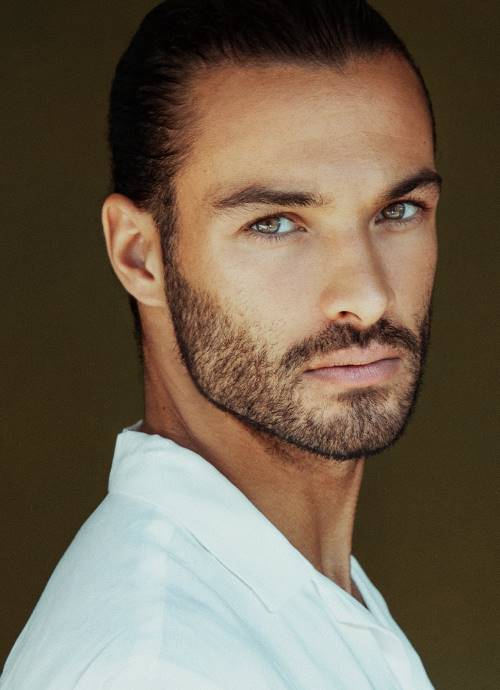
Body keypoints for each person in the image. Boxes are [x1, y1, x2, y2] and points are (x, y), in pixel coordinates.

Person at [1, 1, 443, 688]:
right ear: (140, 255)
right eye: (275, 223)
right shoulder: (157, 667)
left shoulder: (302, 600)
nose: (368, 296)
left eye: (399, 210)